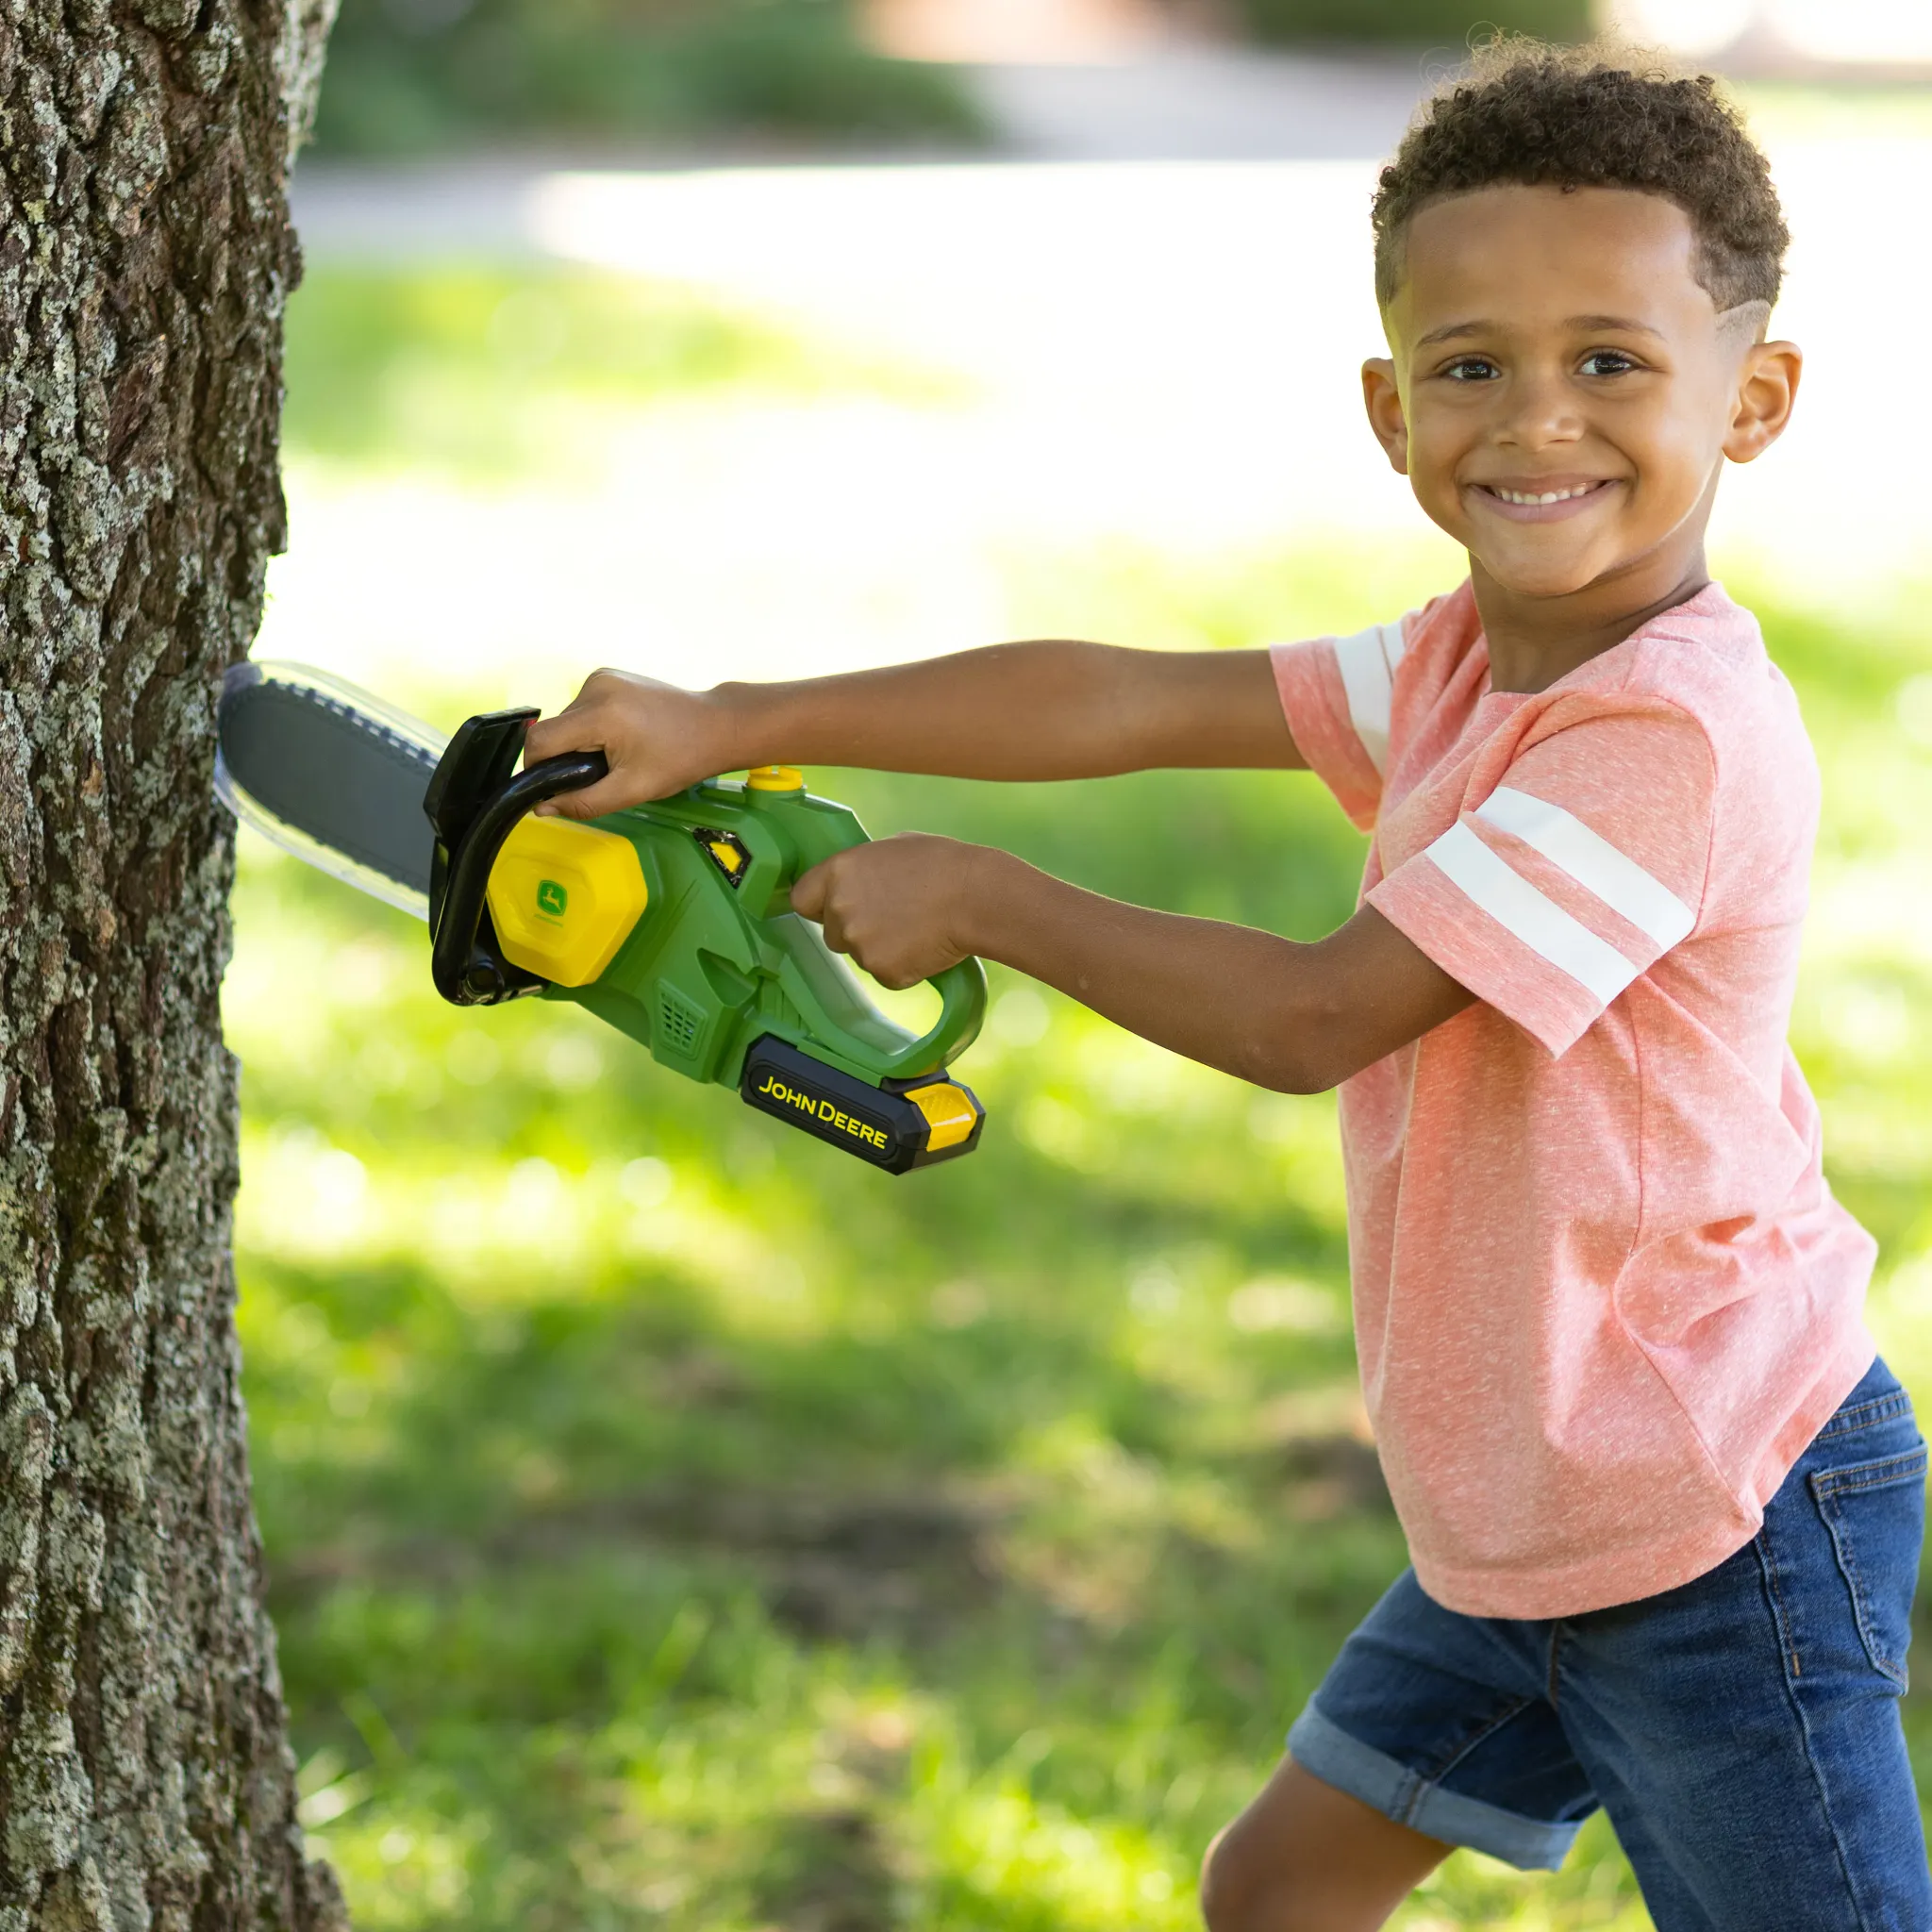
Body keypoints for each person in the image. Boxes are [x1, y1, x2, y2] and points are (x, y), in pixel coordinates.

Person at [525, 39, 1926, 1930]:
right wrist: (734, 718)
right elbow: (1124, 699)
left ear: (1752, 400)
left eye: (1611, 361)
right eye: (1470, 368)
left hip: (1709, 1512)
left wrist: (991, 899)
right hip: (1530, 1505)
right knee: (1275, 1892)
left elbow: (1312, 1016)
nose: (1536, 421)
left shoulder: (1661, 733)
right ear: (1389, 408)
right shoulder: (1465, 660)